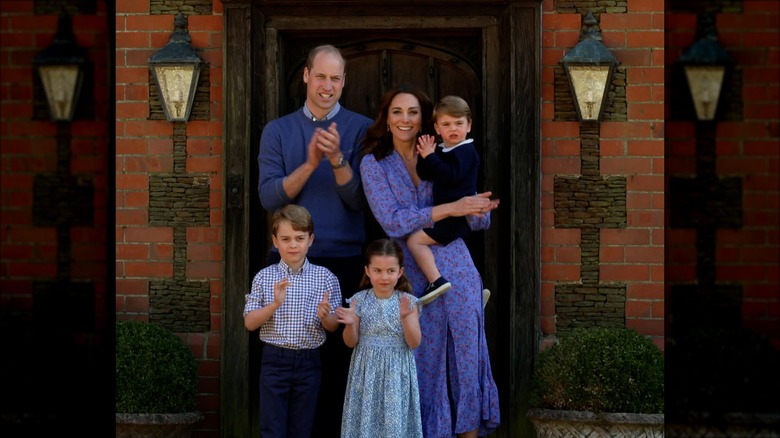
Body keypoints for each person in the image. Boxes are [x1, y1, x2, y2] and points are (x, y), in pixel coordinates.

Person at [359, 85, 501, 438]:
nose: (405, 119)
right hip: (409, 272)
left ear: (426, 120)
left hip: (457, 263)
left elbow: (475, 216)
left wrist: (477, 209)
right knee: (422, 361)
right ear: (386, 119)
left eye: (412, 112)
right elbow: (392, 220)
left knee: (467, 358)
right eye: (397, 112)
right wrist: (452, 208)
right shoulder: (373, 163)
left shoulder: (446, 151)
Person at [256, 44, 373, 435]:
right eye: (320, 76)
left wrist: (338, 159)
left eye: (335, 78)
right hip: (289, 260)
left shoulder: (362, 128)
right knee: (285, 362)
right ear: (306, 76)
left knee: (337, 365)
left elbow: (360, 201)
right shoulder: (278, 130)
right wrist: (309, 163)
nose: (327, 85)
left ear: (344, 82)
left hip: (343, 260)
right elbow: (269, 197)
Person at [243, 204, 343, 438]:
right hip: (275, 360)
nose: (293, 245)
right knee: (272, 428)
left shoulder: (325, 278)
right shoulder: (265, 277)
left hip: (309, 361)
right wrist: (274, 304)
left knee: (302, 428)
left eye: (300, 238)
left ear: (311, 240)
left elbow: (333, 326)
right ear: (275, 242)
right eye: (286, 239)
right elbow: (249, 323)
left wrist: (325, 316)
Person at [335, 239, 423, 438]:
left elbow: (414, 342)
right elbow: (350, 342)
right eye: (378, 270)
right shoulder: (359, 300)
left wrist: (406, 318)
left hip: (396, 372)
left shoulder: (408, 302)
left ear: (400, 272)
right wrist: (350, 323)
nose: (384, 277)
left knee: (394, 424)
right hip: (366, 372)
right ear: (367, 271)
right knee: (366, 422)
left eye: (391, 271)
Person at [408, 95, 480, 305]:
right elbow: (425, 173)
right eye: (446, 124)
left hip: (456, 217)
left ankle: (436, 281)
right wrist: (425, 154)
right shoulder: (443, 149)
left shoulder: (466, 151)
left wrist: (431, 157)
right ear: (437, 129)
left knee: (415, 241)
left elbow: (450, 176)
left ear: (469, 125)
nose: (453, 129)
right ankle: (469, 292)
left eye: (459, 123)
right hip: (445, 214)